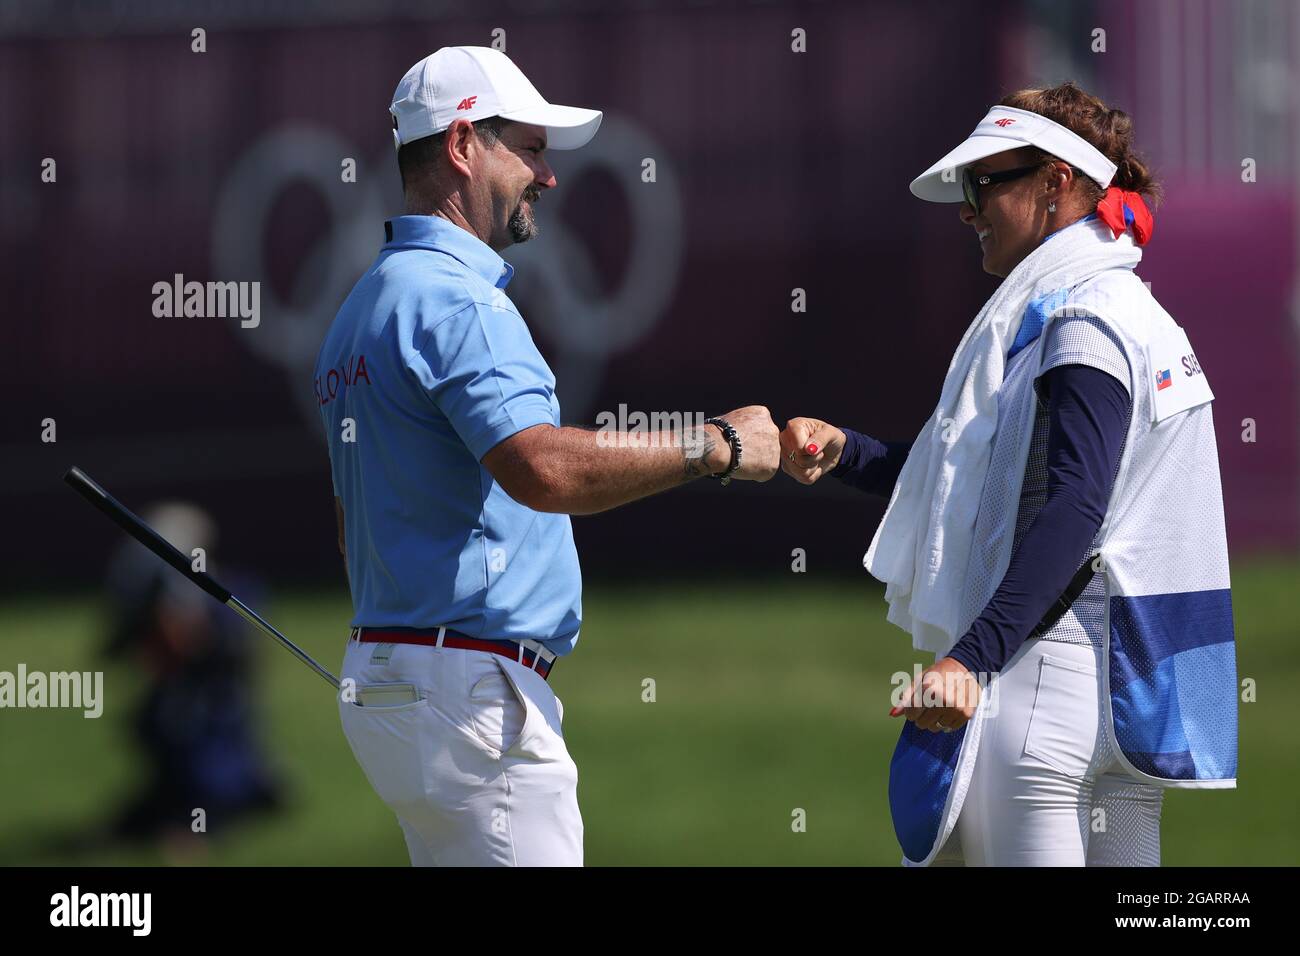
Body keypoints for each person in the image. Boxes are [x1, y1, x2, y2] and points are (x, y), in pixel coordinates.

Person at [314, 46, 779, 867]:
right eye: (529, 149)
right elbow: (544, 470)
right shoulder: (462, 304)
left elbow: (354, 530)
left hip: (393, 684)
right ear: (463, 146)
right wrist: (720, 445)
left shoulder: (363, 306)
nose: (547, 176)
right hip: (470, 696)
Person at [780, 82, 1237, 866]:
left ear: (1057, 182)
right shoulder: (1134, 311)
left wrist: (971, 657)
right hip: (1130, 697)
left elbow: (1074, 509)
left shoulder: (1081, 318)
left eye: (982, 183)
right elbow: (989, 485)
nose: (966, 209)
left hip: (1041, 694)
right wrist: (850, 452)